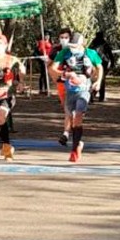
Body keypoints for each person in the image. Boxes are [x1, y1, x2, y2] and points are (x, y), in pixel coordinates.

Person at [50, 33, 103, 162]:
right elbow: (52, 68)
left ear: (81, 44)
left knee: (78, 116)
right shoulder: (64, 52)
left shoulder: (90, 53)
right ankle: (78, 143)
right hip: (70, 91)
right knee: (70, 117)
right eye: (71, 45)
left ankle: (74, 150)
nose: (72, 48)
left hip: (84, 91)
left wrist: (98, 81)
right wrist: (65, 74)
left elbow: (100, 67)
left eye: (75, 45)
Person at [51, 28, 73, 146]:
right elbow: (50, 66)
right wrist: (56, 76)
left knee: (71, 109)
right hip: (62, 82)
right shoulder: (56, 50)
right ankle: (68, 130)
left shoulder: (75, 49)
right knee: (67, 108)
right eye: (62, 37)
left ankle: (67, 132)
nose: (64, 40)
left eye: (66, 37)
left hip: (77, 84)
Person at [89, 31, 115, 103]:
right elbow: (110, 54)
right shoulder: (104, 43)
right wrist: (112, 63)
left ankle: (91, 96)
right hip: (103, 62)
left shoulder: (93, 43)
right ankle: (101, 97)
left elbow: (89, 51)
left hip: (93, 62)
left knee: (92, 79)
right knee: (102, 79)